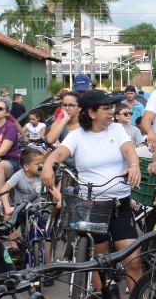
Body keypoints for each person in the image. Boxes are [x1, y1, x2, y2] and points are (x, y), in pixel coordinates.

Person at [41, 89, 143, 283]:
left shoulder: (116, 129)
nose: (111, 112)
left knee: (133, 261)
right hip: (93, 205)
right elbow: (59, 153)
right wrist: (48, 164)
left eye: (111, 107)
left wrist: (134, 166)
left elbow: (129, 150)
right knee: (101, 263)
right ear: (91, 112)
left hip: (120, 203)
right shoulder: (77, 135)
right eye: (106, 108)